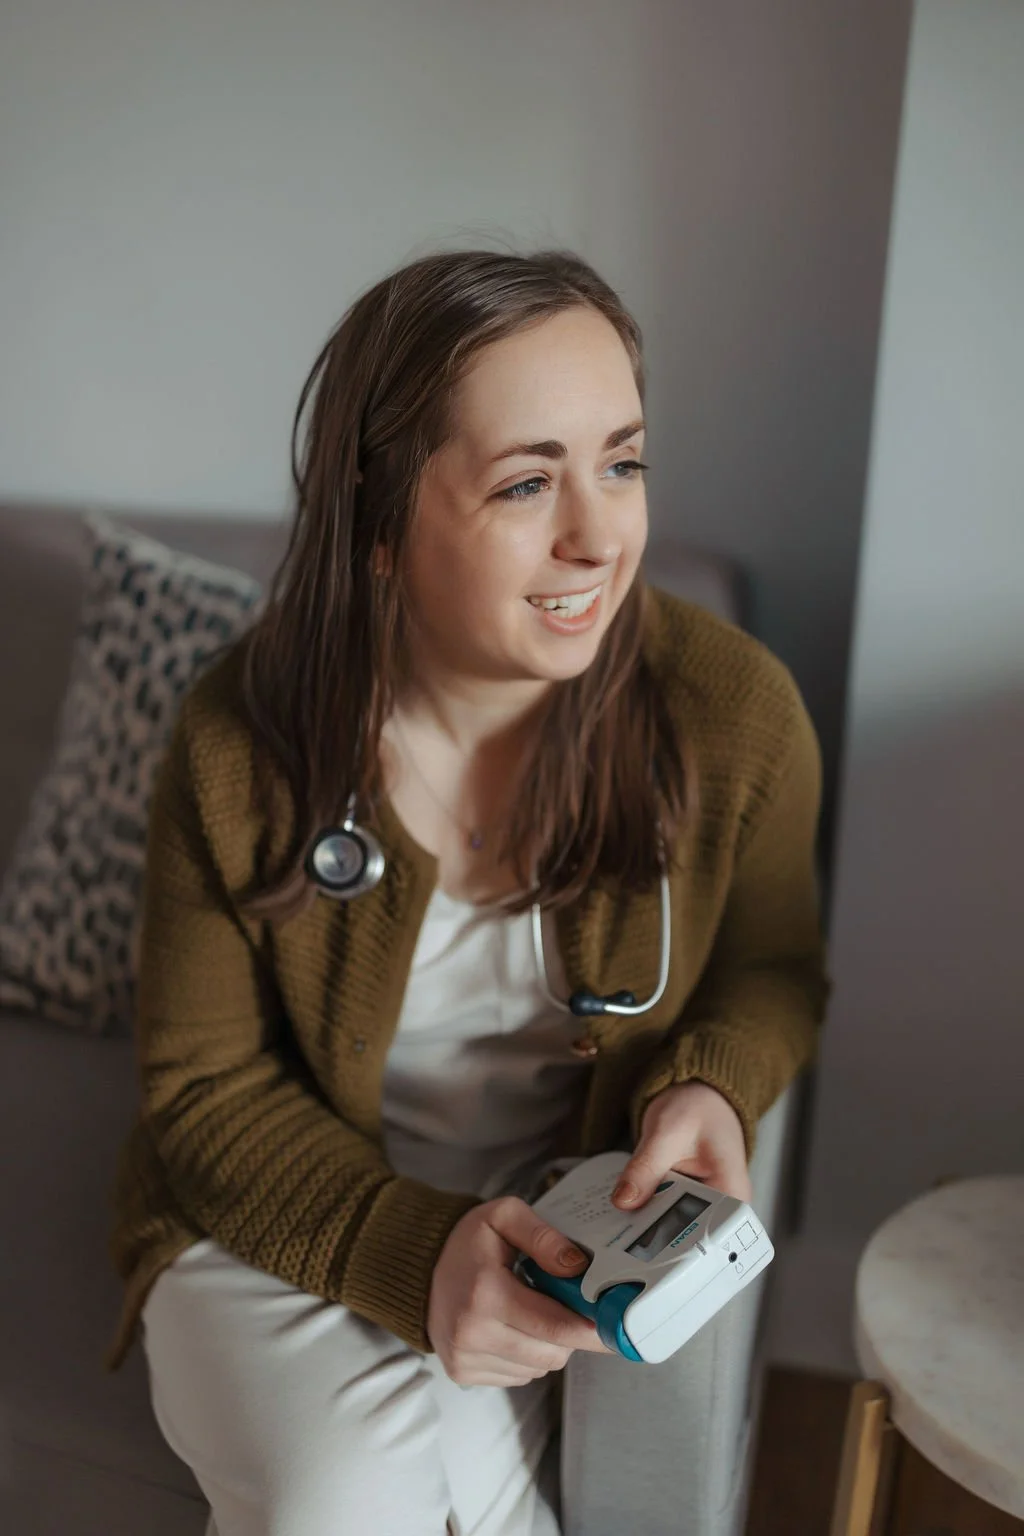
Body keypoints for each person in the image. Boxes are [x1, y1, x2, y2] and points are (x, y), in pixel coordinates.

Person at [107, 247, 830, 1536]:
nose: (601, 536)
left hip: (544, 1207)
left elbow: (770, 971)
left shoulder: (734, 719)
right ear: (382, 524)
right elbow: (204, 1093)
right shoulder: (241, 743)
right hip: (279, 1200)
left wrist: (712, 1081)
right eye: (526, 481)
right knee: (340, 1502)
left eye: (622, 460)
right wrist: (412, 1251)